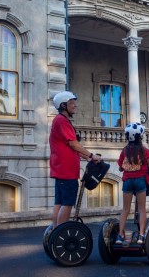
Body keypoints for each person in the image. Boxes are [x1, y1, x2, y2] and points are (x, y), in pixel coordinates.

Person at [50, 91, 102, 228]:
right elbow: (73, 143)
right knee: (66, 203)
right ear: (63, 105)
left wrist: (86, 158)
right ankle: (60, 232)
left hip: (62, 170)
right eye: (71, 103)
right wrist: (91, 155)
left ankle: (55, 231)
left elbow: (70, 147)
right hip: (66, 171)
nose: (75, 106)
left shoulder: (60, 121)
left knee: (59, 202)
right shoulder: (61, 120)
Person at [116, 122, 149, 245]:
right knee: (142, 208)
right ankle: (142, 235)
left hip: (127, 181)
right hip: (140, 181)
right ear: (140, 137)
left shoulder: (125, 150)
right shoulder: (144, 150)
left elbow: (120, 168)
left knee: (125, 209)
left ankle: (120, 235)